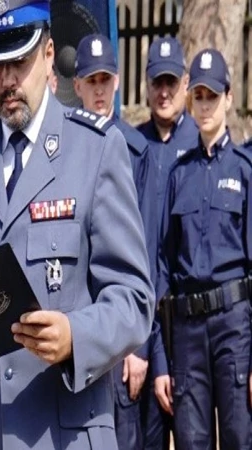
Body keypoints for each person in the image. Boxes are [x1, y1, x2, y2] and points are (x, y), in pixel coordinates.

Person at [0, 1, 155, 449]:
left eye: (19, 61)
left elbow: (134, 300)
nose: (8, 81)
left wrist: (76, 335)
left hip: (68, 435)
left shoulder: (95, 151)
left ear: (49, 53)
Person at [155, 48, 252, 450]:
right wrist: (161, 358)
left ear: (229, 98)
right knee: (191, 442)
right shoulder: (179, 176)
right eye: (198, 95)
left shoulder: (245, 172)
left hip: (235, 328)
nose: (206, 104)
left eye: (213, 95)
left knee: (238, 439)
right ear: (189, 101)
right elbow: (162, 267)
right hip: (188, 333)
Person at [72, 32, 157, 450]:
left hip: (124, 335)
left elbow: (146, 257)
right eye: (91, 81)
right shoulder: (67, 154)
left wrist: (140, 347)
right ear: (78, 87)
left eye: (106, 79)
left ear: (118, 81)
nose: (99, 89)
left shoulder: (138, 152)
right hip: (80, 330)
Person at [136, 36, 199, 450]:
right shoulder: (132, 145)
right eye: (157, 82)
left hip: (193, 326)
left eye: (171, 83)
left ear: (186, 83)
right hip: (144, 322)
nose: (163, 92)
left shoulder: (202, 145)